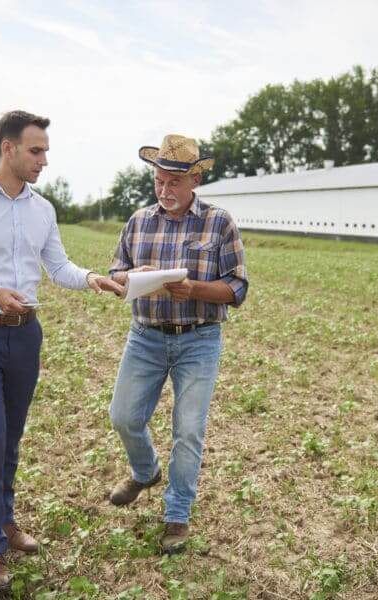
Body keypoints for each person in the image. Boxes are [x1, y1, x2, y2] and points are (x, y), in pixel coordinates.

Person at [0, 110, 122, 588]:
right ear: (8, 148)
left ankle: (6, 521)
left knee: (10, 437)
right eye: (36, 151)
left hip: (25, 335)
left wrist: (91, 277)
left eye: (46, 151)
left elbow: (58, 266)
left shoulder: (43, 209)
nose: (44, 160)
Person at [107, 134, 248, 554]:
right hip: (146, 337)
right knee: (123, 417)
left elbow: (238, 288)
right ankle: (146, 470)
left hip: (198, 341)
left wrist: (194, 290)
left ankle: (177, 515)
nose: (165, 191)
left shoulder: (219, 222)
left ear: (195, 180)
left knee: (188, 430)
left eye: (174, 182)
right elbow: (116, 273)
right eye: (158, 182)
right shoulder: (138, 221)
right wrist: (134, 278)